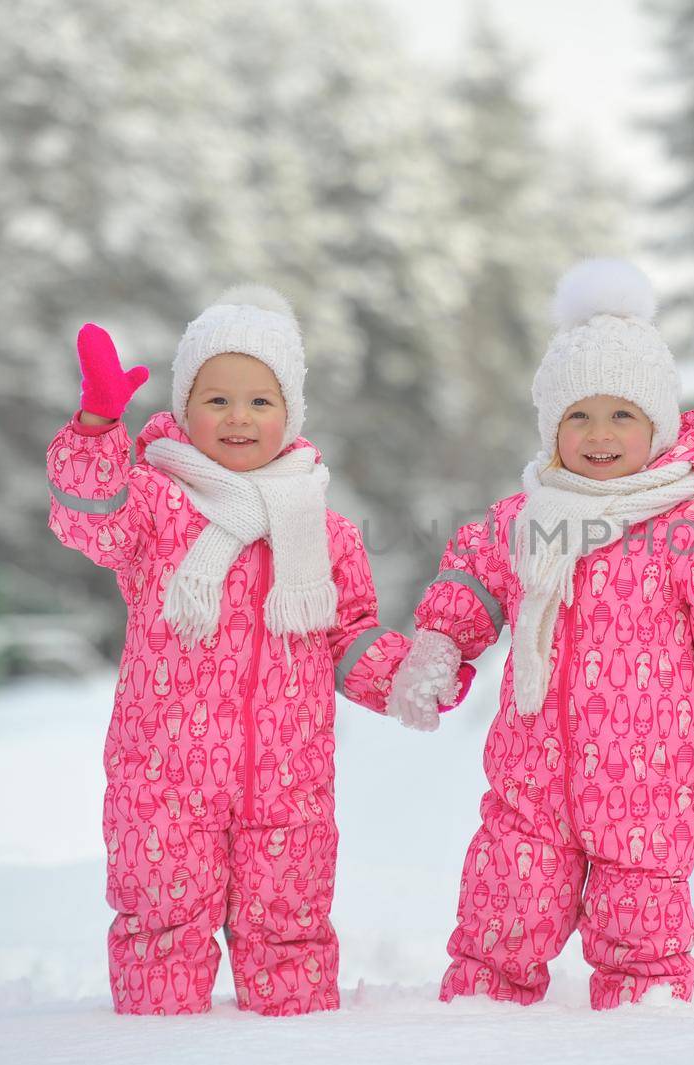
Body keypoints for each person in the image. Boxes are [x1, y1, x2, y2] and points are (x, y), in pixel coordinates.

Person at [385, 259, 694, 1008]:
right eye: (578, 415)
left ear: (657, 427)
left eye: (621, 415)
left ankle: (642, 1036)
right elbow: (469, 582)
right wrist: (440, 645)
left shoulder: (688, 534)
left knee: (643, 949)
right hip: (529, 787)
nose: (599, 435)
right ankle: (473, 1037)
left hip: (648, 796)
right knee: (496, 928)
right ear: (552, 428)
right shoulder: (525, 519)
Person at [47, 285, 465, 1015]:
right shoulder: (155, 504)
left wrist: (405, 673)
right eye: (217, 400)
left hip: (289, 779)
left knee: (289, 927)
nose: (238, 417)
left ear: (290, 413)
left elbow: (348, 634)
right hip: (164, 775)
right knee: (160, 927)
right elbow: (91, 517)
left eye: (260, 401)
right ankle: (149, 1044)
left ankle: (296, 1043)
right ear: (184, 409)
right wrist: (94, 429)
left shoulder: (323, 530)